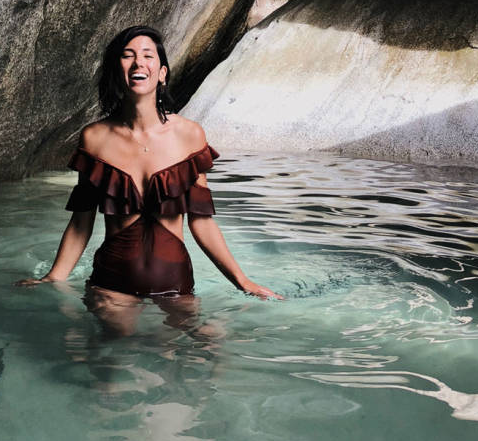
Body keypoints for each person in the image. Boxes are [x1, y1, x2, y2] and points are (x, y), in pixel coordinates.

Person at [18, 25, 281, 331]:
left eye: (147, 55)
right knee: (114, 367)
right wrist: (53, 278)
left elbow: (202, 222)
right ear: (118, 71)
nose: (138, 62)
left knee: (202, 353)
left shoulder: (189, 135)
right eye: (128, 56)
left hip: (176, 283)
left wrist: (243, 281)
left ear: (162, 73)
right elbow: (81, 222)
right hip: (111, 284)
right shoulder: (94, 138)